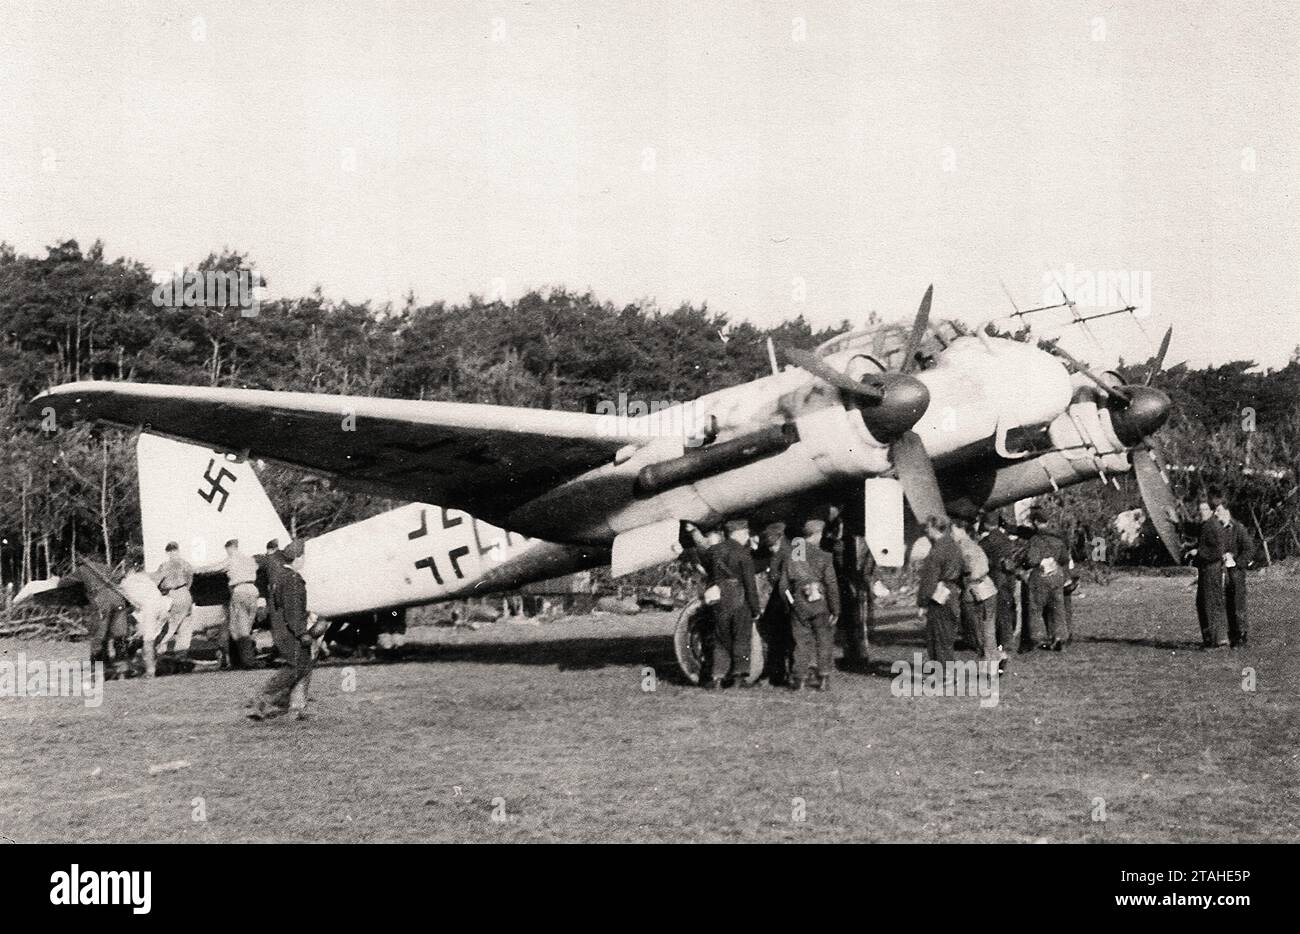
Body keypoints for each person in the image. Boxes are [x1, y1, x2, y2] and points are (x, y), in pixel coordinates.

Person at [686, 519, 761, 689]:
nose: (747, 536)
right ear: (739, 533)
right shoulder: (743, 554)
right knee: (741, 639)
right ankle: (738, 679)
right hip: (740, 599)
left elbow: (705, 566)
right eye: (746, 533)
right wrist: (755, 609)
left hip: (719, 600)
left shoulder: (714, 551)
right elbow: (750, 585)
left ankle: (717, 678)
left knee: (720, 639)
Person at [249, 541, 315, 720]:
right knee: (295, 667)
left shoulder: (281, 576)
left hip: (281, 629)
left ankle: (295, 708)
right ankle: (264, 700)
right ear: (298, 557)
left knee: (304, 666)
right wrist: (302, 633)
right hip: (290, 631)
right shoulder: (293, 579)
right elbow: (292, 611)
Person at [784, 519, 840, 691]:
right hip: (820, 603)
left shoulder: (792, 556)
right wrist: (835, 609)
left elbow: (783, 586)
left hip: (799, 603)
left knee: (801, 643)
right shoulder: (824, 556)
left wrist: (792, 604)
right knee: (824, 640)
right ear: (817, 534)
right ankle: (823, 678)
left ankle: (799, 680)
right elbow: (831, 584)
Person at [197, 538, 261, 668]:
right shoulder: (250, 560)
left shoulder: (231, 559)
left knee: (237, 628)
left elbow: (215, 568)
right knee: (247, 627)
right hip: (253, 590)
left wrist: (198, 570)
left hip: (239, 590)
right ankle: (246, 657)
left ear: (229, 548)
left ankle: (246, 661)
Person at [67, 560, 132, 679]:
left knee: (99, 635)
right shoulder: (106, 567)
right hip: (118, 598)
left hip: (102, 600)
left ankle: (97, 670)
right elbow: (118, 578)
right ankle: (123, 669)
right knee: (119, 634)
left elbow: (66, 584)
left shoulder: (81, 570)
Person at [916, 515, 963, 675]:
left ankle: (943, 675)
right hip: (953, 593)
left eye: (928, 527)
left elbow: (929, 581)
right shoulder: (955, 546)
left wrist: (922, 603)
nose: (925, 530)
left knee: (937, 638)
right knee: (947, 638)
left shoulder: (936, 551)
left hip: (939, 597)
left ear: (935, 528)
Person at [978, 510, 1024, 671]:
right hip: (1008, 581)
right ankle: (1006, 646)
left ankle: (999, 649)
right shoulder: (1007, 540)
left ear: (985, 524)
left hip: (994, 581)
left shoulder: (986, 542)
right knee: (1007, 614)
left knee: (993, 617)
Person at [1021, 510, 1071, 651]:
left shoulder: (1036, 540)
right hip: (1056, 575)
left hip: (1040, 576)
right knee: (1058, 608)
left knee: (1036, 608)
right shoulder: (1058, 538)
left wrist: (1024, 563)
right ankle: (1060, 637)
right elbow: (1063, 559)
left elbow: (1032, 560)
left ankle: (1039, 638)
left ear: (1036, 522)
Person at [953, 518, 998, 668]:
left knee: (978, 628)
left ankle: (989, 660)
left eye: (952, 530)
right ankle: (993, 658)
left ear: (960, 529)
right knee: (988, 626)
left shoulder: (963, 547)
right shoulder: (974, 545)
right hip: (988, 587)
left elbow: (967, 570)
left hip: (976, 591)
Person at [118, 560, 172, 678]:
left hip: (150, 608)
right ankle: (150, 663)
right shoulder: (144, 578)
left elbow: (126, 598)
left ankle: (150, 671)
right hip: (162, 606)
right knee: (150, 638)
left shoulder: (125, 583)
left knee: (148, 640)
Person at [757, 521, 794, 685]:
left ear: (780, 539)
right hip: (781, 598)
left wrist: (789, 604)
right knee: (781, 638)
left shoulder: (786, 553)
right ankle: (781, 675)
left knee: (784, 639)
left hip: (786, 599)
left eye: (773, 545)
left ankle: (785, 676)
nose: (771, 548)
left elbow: (786, 582)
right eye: (769, 545)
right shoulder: (783, 551)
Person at [1191, 496, 1228, 648]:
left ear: (1211, 511)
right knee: (1204, 602)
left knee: (1210, 603)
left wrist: (1198, 553)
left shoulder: (1212, 526)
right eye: (1200, 510)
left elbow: (1218, 550)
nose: (1202, 512)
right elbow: (1194, 530)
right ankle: (1213, 640)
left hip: (1211, 570)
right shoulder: (1207, 525)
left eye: (1205, 509)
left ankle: (1217, 640)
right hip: (1208, 569)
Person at [1216, 502, 1254, 648]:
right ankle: (1231, 636)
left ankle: (1241, 636)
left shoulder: (1238, 528)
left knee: (1238, 604)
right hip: (1222, 573)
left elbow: (1249, 549)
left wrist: (1236, 562)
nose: (1216, 514)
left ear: (1227, 511)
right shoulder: (1218, 529)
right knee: (1226, 604)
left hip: (1236, 573)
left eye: (1218, 511)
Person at [151, 542, 194, 659]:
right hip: (185, 593)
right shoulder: (186, 564)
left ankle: (159, 651)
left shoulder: (165, 566)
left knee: (169, 626)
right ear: (178, 550)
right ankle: (182, 655)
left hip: (173, 594)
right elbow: (190, 581)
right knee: (185, 625)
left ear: (168, 552)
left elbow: (156, 582)